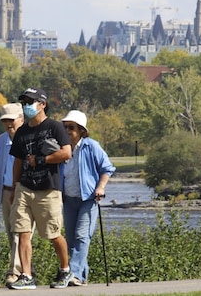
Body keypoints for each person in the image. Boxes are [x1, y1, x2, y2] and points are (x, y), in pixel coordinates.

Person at [7, 87, 73, 290]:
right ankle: (26, 275)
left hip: (48, 189)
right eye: (24, 102)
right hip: (25, 187)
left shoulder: (54, 127)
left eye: (30, 102)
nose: (27, 106)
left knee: (53, 234)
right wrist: (14, 186)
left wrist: (42, 159)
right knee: (23, 231)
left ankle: (65, 269)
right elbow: (17, 161)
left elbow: (66, 153)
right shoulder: (21, 132)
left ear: (42, 104)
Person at [61, 110, 115, 286]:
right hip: (68, 199)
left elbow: (107, 168)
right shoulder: (62, 147)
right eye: (65, 127)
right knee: (70, 239)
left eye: (71, 127)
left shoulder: (91, 146)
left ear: (81, 130)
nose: (67, 130)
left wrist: (100, 187)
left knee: (82, 236)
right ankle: (81, 278)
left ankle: (75, 274)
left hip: (88, 199)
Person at [0, 103, 26, 286]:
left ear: (21, 119)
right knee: (12, 235)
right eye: (5, 121)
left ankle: (14, 272)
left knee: (19, 232)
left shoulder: (29, 138)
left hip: (24, 192)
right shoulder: (1, 141)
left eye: (12, 120)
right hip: (6, 192)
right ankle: (26, 271)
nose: (9, 124)